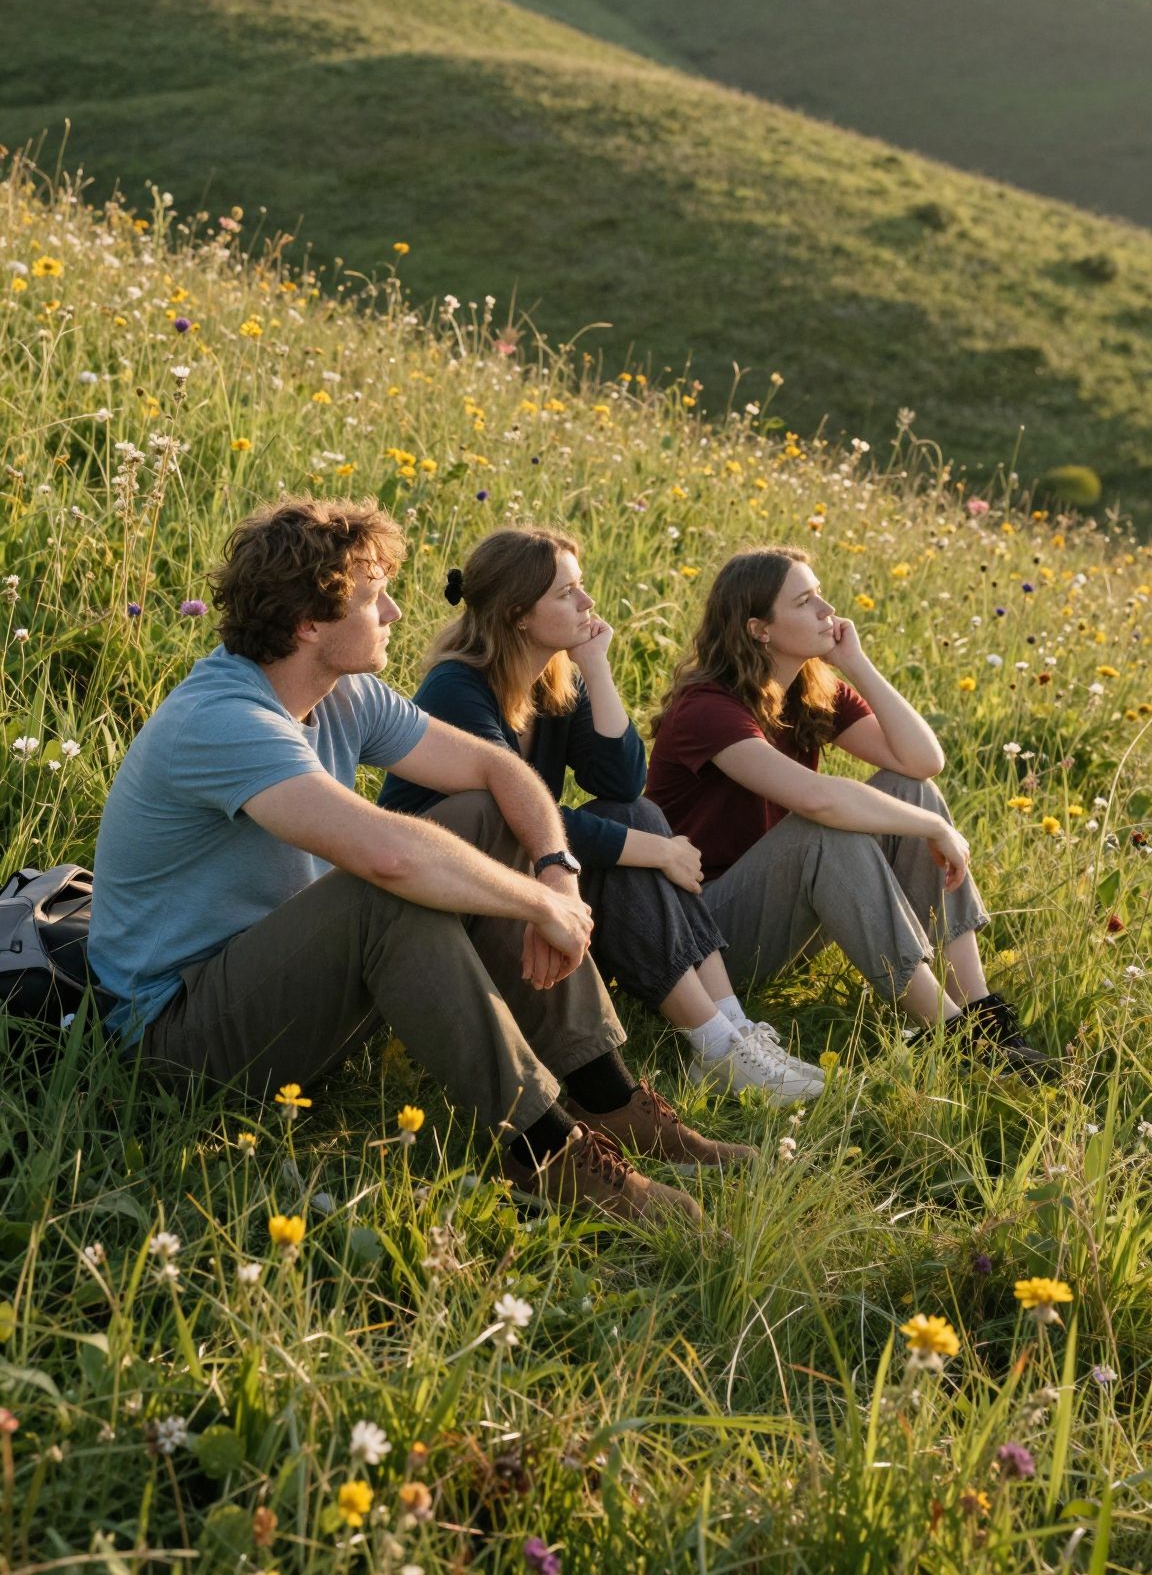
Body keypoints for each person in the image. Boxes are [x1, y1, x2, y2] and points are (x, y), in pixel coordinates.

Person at [87, 496, 747, 1231]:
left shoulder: (346, 695)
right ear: (309, 623)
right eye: (374, 600)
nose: (397, 613)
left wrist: (556, 864)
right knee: (387, 890)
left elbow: (499, 774)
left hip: (279, 987)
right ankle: (547, 1153)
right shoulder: (223, 721)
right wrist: (536, 907)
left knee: (484, 816)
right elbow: (391, 858)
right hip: (180, 1039)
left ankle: (609, 1097)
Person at [380, 525, 822, 1104]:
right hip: (455, 892)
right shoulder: (457, 689)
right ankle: (715, 1045)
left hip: (521, 869)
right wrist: (658, 851)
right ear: (518, 614)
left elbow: (620, 781)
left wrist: (595, 666)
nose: (587, 604)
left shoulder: (552, 682)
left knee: (633, 811)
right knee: (635, 837)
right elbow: (518, 813)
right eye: (568, 594)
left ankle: (735, 1032)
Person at [646, 545, 1056, 1079]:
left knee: (911, 792)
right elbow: (819, 801)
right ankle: (952, 1036)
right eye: (805, 601)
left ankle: (982, 1018)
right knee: (828, 830)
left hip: (786, 912)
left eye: (819, 594)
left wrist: (854, 663)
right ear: (758, 628)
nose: (827, 610)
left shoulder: (809, 691)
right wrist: (933, 829)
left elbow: (921, 762)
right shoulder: (706, 708)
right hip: (709, 939)